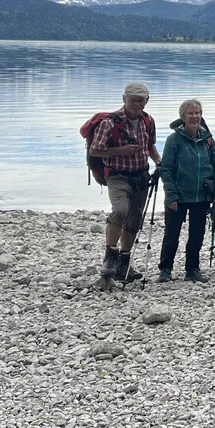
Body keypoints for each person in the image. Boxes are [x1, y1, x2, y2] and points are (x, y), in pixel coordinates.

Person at [88, 82, 161, 283]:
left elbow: (150, 146)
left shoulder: (148, 121)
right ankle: (110, 256)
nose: (137, 104)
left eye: (141, 100)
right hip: (117, 176)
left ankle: (124, 263)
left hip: (141, 176)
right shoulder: (110, 123)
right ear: (124, 99)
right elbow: (95, 150)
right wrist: (121, 150)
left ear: (147, 101)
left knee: (134, 220)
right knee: (120, 211)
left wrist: (158, 161)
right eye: (133, 100)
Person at [158, 99, 215, 282]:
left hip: (202, 194)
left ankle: (192, 269)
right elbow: (166, 169)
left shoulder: (208, 140)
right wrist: (171, 195)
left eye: (197, 113)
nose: (194, 116)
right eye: (190, 113)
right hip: (179, 195)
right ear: (183, 116)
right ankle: (165, 269)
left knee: (197, 234)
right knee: (172, 233)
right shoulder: (174, 140)